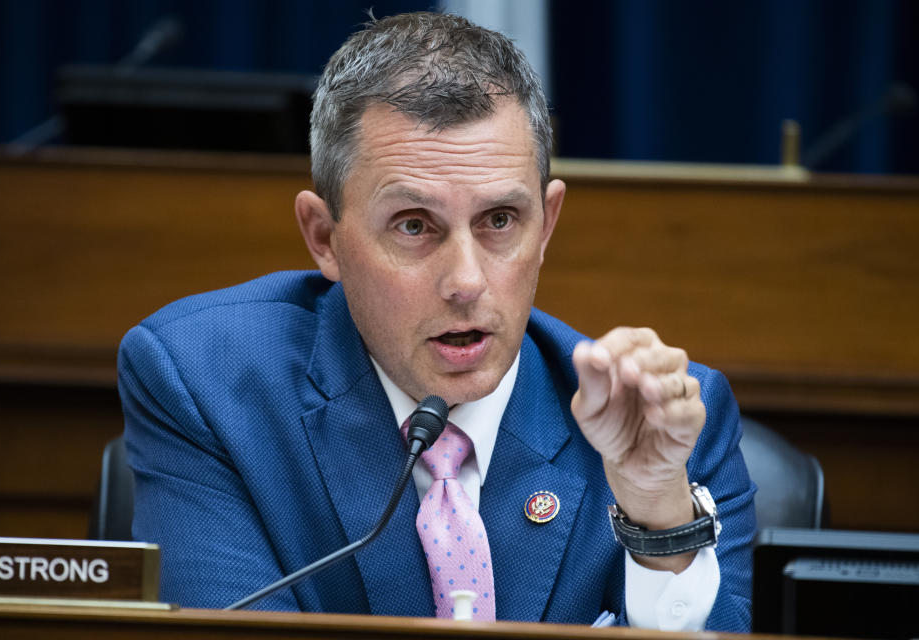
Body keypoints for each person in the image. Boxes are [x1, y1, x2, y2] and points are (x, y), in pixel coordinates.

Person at [118, 11, 755, 631]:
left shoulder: (662, 428)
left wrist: (658, 517)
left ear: (547, 223)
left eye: (500, 220)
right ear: (324, 236)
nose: (467, 282)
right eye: (415, 225)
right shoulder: (205, 383)